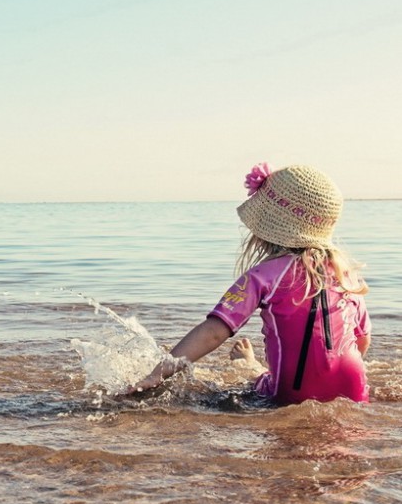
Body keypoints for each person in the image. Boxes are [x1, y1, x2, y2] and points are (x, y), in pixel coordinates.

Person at [134, 163, 371, 404]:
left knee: (259, 384)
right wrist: (328, 373)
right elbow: (362, 340)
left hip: (292, 392)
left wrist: (158, 373)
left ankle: (250, 364)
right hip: (355, 388)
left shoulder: (264, 275)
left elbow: (214, 332)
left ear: (268, 223)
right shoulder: (346, 275)